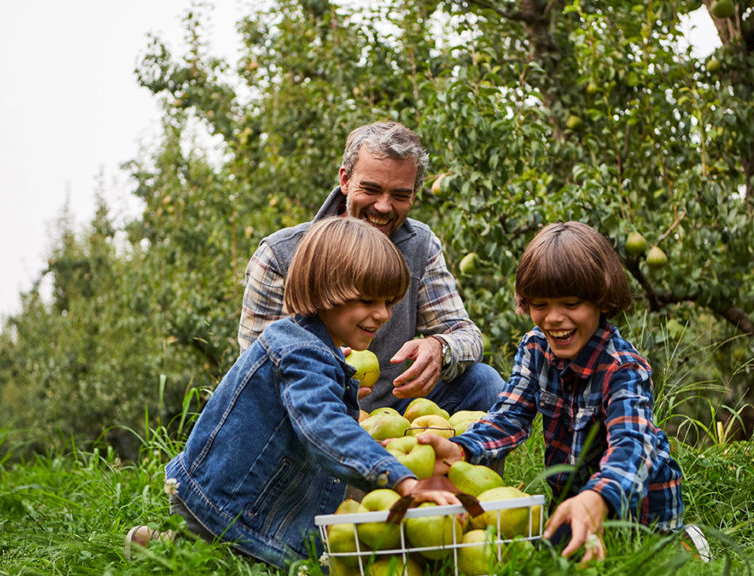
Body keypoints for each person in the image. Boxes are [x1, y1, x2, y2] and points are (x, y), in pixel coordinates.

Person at [128, 217, 459, 567]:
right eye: (366, 300)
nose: (381, 315)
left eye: (389, 303)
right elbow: (324, 426)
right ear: (324, 291)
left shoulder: (309, 344)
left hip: (222, 494)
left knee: (216, 552)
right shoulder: (302, 352)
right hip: (230, 507)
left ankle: (169, 543)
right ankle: (172, 545)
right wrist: (403, 480)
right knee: (231, 559)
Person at [421, 221, 687, 562]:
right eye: (540, 304)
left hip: (640, 513)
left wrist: (598, 498)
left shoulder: (623, 368)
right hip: (574, 503)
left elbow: (631, 445)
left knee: (639, 564)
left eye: (571, 303)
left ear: (601, 301)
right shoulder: (535, 348)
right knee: (547, 560)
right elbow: (509, 417)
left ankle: (683, 542)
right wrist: (459, 450)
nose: (553, 318)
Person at [239, 121, 504, 416]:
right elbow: (254, 372)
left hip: (398, 412)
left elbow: (465, 334)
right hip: (310, 411)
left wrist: (439, 348)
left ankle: (464, 462)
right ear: (345, 180)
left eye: (401, 195)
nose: (383, 207)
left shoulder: (421, 246)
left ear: (414, 195)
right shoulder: (280, 255)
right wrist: (320, 370)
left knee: (485, 383)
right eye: (371, 189)